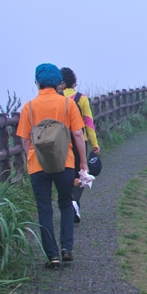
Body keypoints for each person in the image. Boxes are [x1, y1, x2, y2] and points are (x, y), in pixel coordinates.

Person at [17, 63, 88, 268]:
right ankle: (67, 248)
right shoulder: (67, 104)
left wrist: (31, 157)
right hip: (64, 162)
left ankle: (52, 256)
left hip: (38, 164)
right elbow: (77, 134)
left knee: (44, 209)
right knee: (65, 204)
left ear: (37, 83)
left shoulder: (29, 107)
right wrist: (83, 162)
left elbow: (25, 139)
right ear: (58, 83)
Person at [59, 67, 100, 223]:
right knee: (81, 173)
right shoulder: (81, 98)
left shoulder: (57, 98)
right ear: (74, 82)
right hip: (79, 141)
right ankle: (75, 201)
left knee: (64, 173)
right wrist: (94, 143)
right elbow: (88, 122)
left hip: (60, 142)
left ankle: (68, 202)